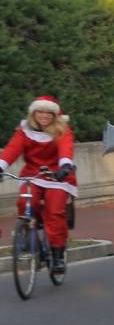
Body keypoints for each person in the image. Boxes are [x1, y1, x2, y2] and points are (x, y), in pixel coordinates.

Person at [0, 96, 77, 274]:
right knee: (24, 202)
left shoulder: (62, 130)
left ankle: (57, 255)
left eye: (48, 113)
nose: (44, 116)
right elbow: (12, 150)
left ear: (54, 115)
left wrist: (65, 166)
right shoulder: (24, 131)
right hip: (33, 175)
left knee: (55, 212)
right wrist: (1, 165)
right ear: (33, 114)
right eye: (40, 112)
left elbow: (66, 149)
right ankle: (29, 229)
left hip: (57, 177)